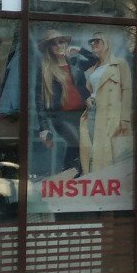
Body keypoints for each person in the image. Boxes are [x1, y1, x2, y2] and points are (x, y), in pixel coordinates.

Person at [35, 28, 94, 174]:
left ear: (66, 44)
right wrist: (44, 128)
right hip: (61, 116)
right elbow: (39, 100)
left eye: (61, 42)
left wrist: (79, 50)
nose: (58, 46)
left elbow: (95, 59)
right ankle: (71, 174)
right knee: (78, 143)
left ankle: (70, 175)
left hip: (82, 114)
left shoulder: (75, 62)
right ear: (49, 48)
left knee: (80, 146)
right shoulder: (45, 69)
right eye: (53, 44)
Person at [80, 31, 133, 174]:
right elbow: (91, 90)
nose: (93, 44)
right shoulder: (92, 68)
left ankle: (108, 182)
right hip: (93, 111)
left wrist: (125, 120)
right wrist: (88, 98)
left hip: (111, 113)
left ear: (107, 43)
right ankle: (96, 182)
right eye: (91, 42)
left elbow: (126, 91)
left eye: (97, 41)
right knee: (93, 151)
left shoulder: (119, 64)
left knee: (110, 152)